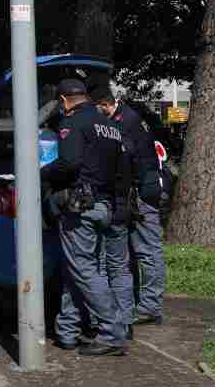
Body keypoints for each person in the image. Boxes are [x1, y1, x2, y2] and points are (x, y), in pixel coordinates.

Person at [41, 78, 130, 356]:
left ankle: (113, 333)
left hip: (81, 206)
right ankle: (67, 331)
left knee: (85, 272)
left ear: (64, 101)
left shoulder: (73, 122)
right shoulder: (112, 126)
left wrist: (39, 173)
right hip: (104, 206)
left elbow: (69, 164)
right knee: (78, 270)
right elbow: (121, 171)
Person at [94, 85, 168, 327]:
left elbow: (122, 159)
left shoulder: (126, 122)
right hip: (139, 189)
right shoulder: (125, 115)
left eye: (97, 109)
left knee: (148, 250)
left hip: (142, 192)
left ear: (105, 105)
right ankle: (142, 301)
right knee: (137, 251)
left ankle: (150, 306)